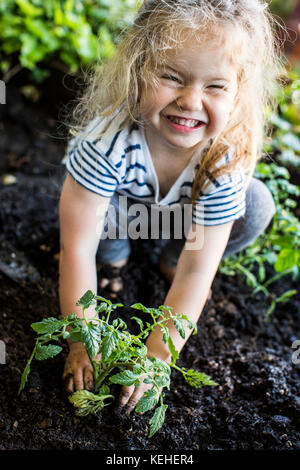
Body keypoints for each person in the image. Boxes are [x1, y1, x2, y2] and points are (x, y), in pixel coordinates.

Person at [59, 0, 283, 415]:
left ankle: (167, 259)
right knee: (97, 227)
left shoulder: (223, 159)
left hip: (182, 222)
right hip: (120, 216)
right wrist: (81, 341)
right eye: (171, 76)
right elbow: (77, 248)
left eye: (216, 86)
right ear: (139, 68)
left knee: (255, 205)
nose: (191, 100)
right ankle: (116, 260)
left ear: (238, 90)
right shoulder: (106, 143)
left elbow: (199, 269)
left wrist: (156, 360)